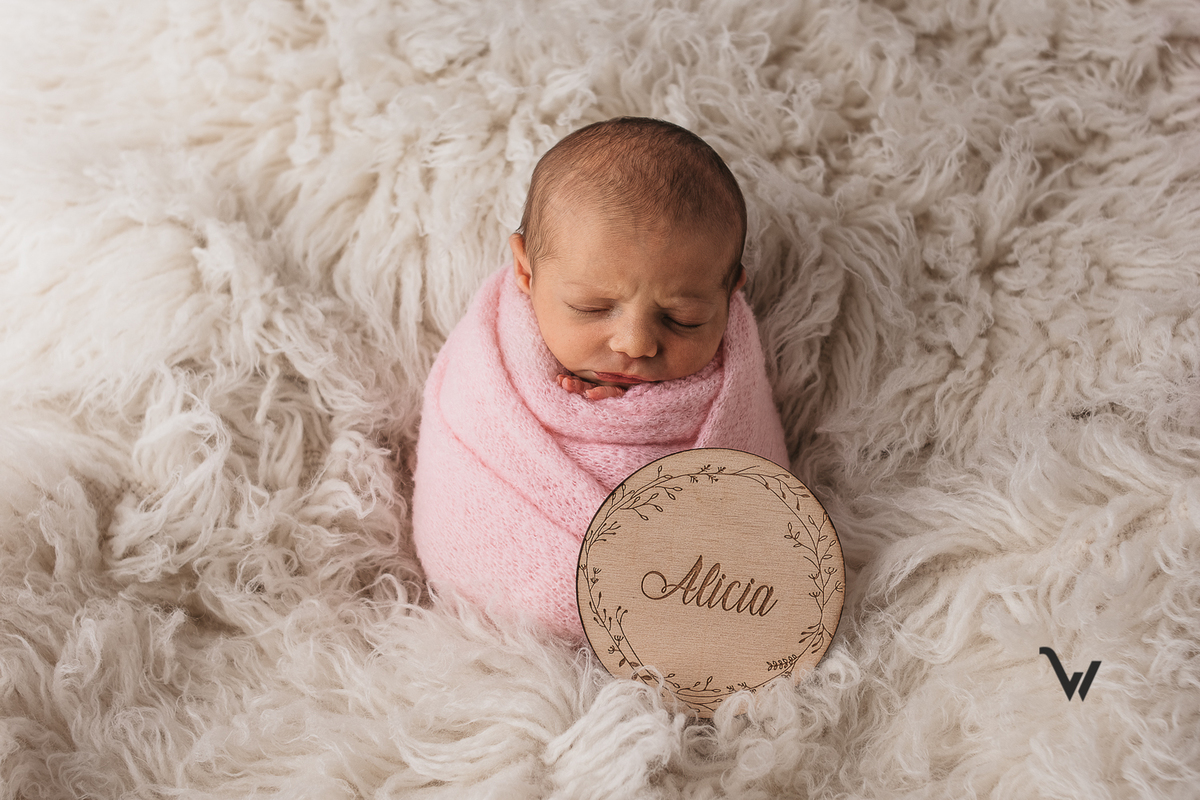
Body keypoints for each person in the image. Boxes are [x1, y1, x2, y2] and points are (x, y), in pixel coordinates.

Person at [412, 117, 788, 640]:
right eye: (592, 308)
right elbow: (462, 460)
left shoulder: (729, 384)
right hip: (505, 630)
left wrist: (631, 415)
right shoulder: (490, 360)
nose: (636, 344)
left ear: (729, 293)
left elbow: (756, 503)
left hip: (687, 622)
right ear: (526, 271)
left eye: (683, 318)